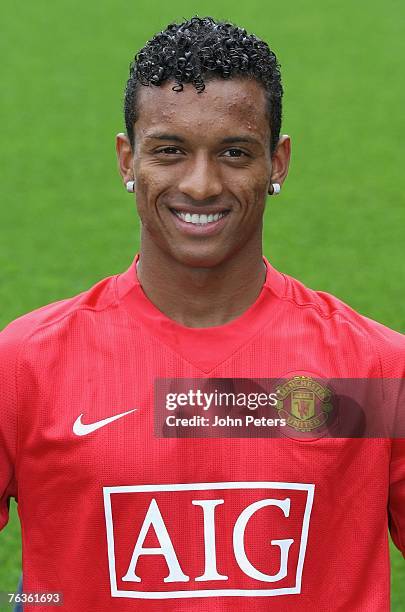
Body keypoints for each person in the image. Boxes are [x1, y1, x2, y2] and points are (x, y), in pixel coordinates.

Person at [1, 15, 404, 612]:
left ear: (278, 163)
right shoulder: (26, 363)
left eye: (235, 152)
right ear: (126, 160)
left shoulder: (373, 369)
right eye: (169, 151)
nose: (200, 184)